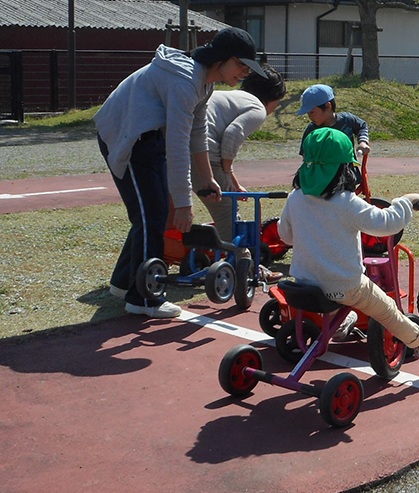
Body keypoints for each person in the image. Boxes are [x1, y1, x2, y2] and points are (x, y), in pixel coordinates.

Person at [94, 27, 265, 318]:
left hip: (148, 137)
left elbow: (197, 132)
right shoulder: (186, 81)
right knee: (153, 215)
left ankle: (125, 284)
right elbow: (177, 147)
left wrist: (207, 178)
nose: (244, 73)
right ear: (221, 58)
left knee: (153, 213)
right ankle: (144, 300)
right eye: (241, 65)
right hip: (129, 136)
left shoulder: (204, 82)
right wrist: (185, 204)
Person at [278, 127, 419, 359]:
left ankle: (338, 324)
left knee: (335, 291)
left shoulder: (295, 198)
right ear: (345, 168)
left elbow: (285, 236)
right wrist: (406, 202)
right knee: (386, 310)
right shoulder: (346, 202)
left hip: (305, 281)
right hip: (345, 285)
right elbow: (385, 223)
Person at [192, 65, 288, 282]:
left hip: (182, 147)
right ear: (271, 96)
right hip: (203, 152)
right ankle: (249, 267)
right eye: (278, 100)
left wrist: (232, 181)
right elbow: (232, 137)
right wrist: (225, 173)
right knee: (229, 218)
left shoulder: (232, 97)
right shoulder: (257, 108)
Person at [296, 83, 370, 161]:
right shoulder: (312, 130)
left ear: (328, 106)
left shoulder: (347, 120)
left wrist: (362, 142)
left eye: (312, 112)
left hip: (348, 169)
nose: (310, 117)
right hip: (323, 171)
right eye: (307, 113)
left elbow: (362, 126)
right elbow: (305, 154)